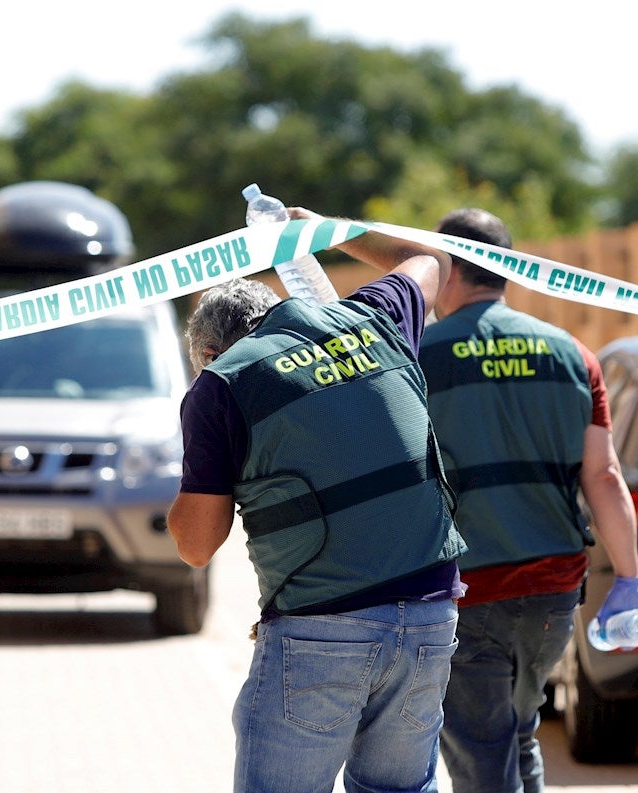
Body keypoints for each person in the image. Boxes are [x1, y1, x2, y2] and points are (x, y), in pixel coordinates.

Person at [168, 212, 467, 793]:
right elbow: (434, 260)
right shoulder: (374, 318)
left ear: (207, 349)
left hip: (321, 627)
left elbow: (197, 546)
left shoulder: (221, 384)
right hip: (431, 614)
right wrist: (323, 229)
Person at [417, 208, 638, 793]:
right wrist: (629, 578)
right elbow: (605, 476)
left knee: (480, 749)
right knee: (520, 730)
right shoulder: (574, 354)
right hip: (553, 587)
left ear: (444, 267)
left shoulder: (421, 355)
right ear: (506, 269)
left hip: (470, 587)